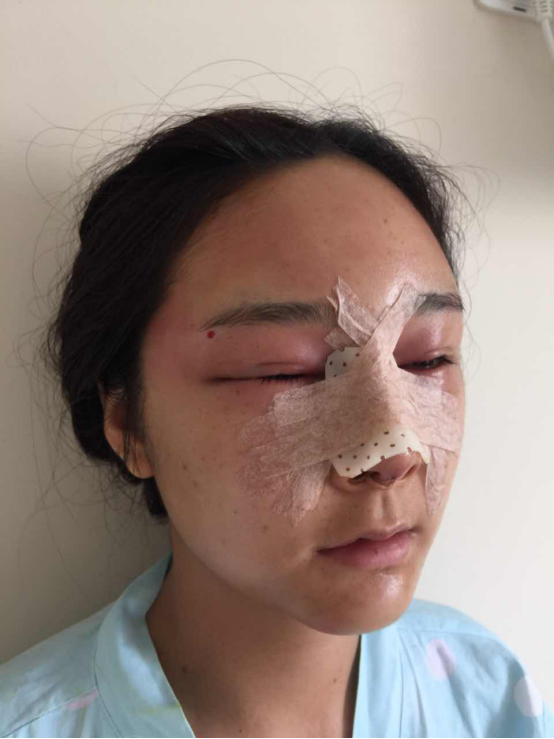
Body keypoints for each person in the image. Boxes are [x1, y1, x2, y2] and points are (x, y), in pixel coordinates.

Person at [1, 105, 552, 739]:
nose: (395, 452)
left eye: (427, 360)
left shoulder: (489, 698)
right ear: (127, 419)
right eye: (285, 372)